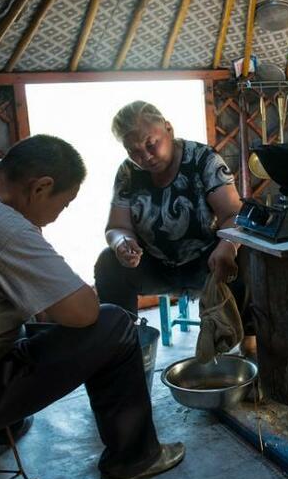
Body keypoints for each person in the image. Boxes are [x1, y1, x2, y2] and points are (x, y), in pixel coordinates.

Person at [0, 135, 184, 479]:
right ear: (41, 188)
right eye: (65, 203)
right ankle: (135, 457)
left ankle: (1, 431)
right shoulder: (4, 228)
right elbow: (85, 313)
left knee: (15, 318)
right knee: (114, 325)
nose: (60, 215)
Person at [93, 101, 255, 355]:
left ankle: (250, 347)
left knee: (247, 255)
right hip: (155, 265)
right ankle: (122, 346)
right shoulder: (128, 173)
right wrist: (121, 243)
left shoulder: (203, 160)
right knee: (108, 263)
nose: (144, 156)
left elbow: (234, 215)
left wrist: (227, 247)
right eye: (133, 151)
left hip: (208, 262)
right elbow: (116, 227)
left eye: (150, 143)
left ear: (168, 128)